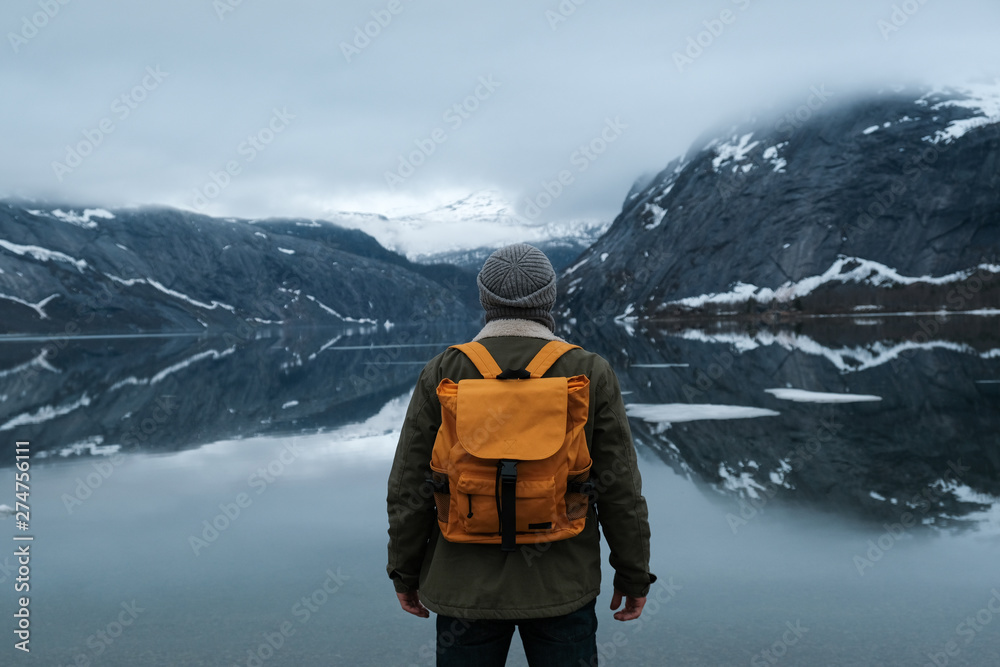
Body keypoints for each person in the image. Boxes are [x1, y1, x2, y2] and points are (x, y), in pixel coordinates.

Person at [387, 243, 656, 666]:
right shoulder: (589, 370)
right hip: (561, 587)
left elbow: (408, 487)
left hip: (464, 591)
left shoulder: (444, 371)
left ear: (485, 299)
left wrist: (404, 572)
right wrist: (634, 573)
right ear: (549, 297)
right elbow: (620, 487)